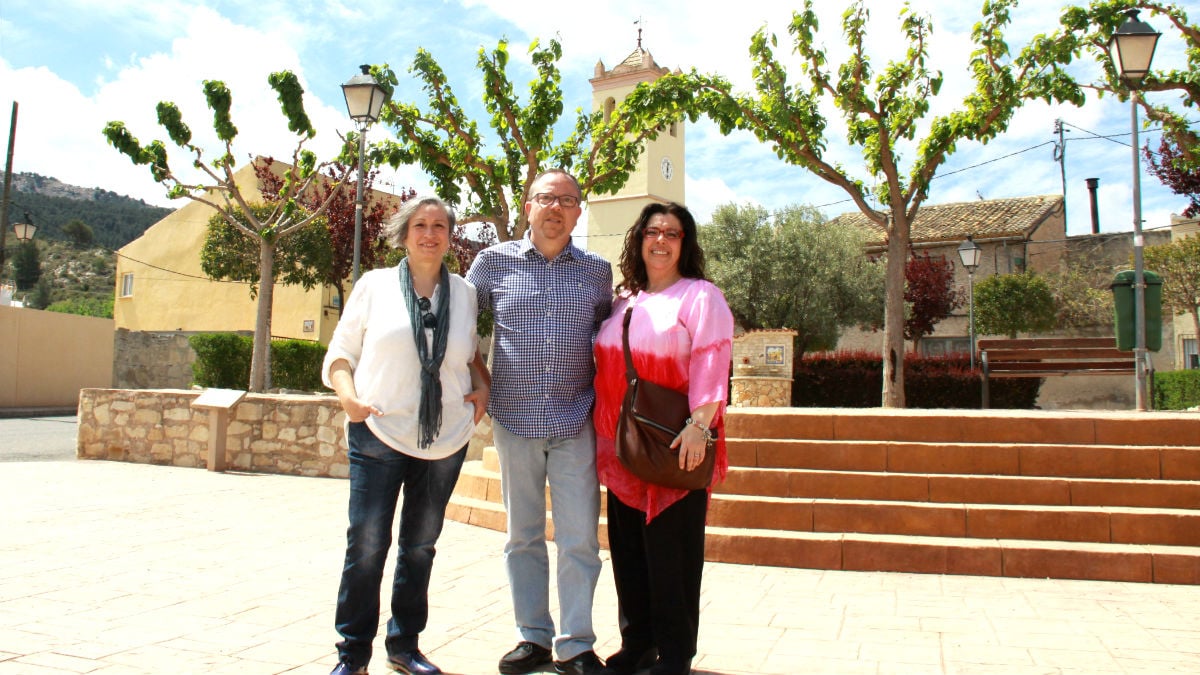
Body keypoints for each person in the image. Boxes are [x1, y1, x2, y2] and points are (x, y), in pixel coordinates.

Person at [324, 196, 490, 675]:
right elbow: (341, 353)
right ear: (403, 234)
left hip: (445, 441)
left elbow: (468, 351)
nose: (430, 234)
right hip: (378, 431)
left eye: (440, 225)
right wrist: (349, 399)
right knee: (368, 544)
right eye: (420, 224)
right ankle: (352, 654)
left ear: (449, 235)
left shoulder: (463, 292)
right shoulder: (374, 286)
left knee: (420, 545)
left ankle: (405, 646)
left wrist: (484, 386)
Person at [465, 169, 613, 675]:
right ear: (528, 207)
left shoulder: (597, 272)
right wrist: (480, 378)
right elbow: (462, 329)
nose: (556, 208)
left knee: (580, 538)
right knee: (522, 535)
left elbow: (606, 341)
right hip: (513, 418)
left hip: (576, 419)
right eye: (546, 198)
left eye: (567, 200)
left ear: (578, 211)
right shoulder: (490, 263)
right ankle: (532, 637)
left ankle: (575, 644)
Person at [591, 202, 734, 675]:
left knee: (673, 559)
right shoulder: (624, 301)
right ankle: (638, 645)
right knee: (629, 556)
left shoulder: (700, 297)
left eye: (673, 233)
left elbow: (712, 361)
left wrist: (700, 425)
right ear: (640, 239)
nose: (662, 240)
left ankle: (674, 657)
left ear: (685, 244)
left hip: (676, 444)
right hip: (623, 447)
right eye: (653, 231)